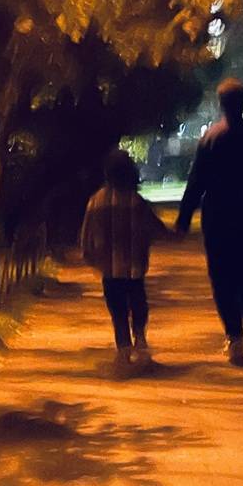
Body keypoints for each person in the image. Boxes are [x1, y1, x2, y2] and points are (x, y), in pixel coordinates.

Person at [176, 78, 243, 360]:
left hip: (218, 221)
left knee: (222, 279)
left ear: (220, 105)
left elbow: (196, 183)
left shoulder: (211, 139)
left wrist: (183, 221)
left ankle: (234, 337)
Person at [80, 149, 170, 374]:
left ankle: (123, 350)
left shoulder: (96, 201)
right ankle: (140, 339)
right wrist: (171, 234)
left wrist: (89, 255)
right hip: (134, 266)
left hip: (109, 268)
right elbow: (153, 227)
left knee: (117, 309)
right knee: (138, 304)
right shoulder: (135, 201)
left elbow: (86, 233)